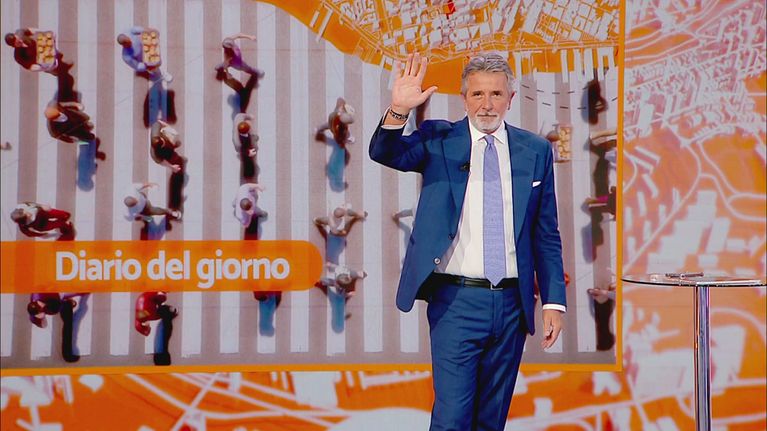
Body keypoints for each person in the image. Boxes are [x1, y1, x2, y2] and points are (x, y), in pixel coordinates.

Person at [369, 52, 567, 430]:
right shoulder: (439, 139)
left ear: (510, 98)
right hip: (456, 302)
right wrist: (398, 110)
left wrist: (553, 302)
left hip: (512, 304)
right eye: (477, 94)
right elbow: (385, 152)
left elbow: (546, 234)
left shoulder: (536, 150)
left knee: (491, 421)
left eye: (496, 94)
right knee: (453, 418)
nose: (486, 104)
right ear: (464, 98)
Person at [10, 202, 75, 240]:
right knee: (60, 223)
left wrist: (42, 206)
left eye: (26, 213)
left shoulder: (23, 206)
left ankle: (64, 222)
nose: (29, 214)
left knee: (65, 215)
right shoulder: (23, 225)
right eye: (27, 217)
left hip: (44, 213)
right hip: (42, 225)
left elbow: (32, 204)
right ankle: (67, 229)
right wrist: (39, 234)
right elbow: (28, 233)